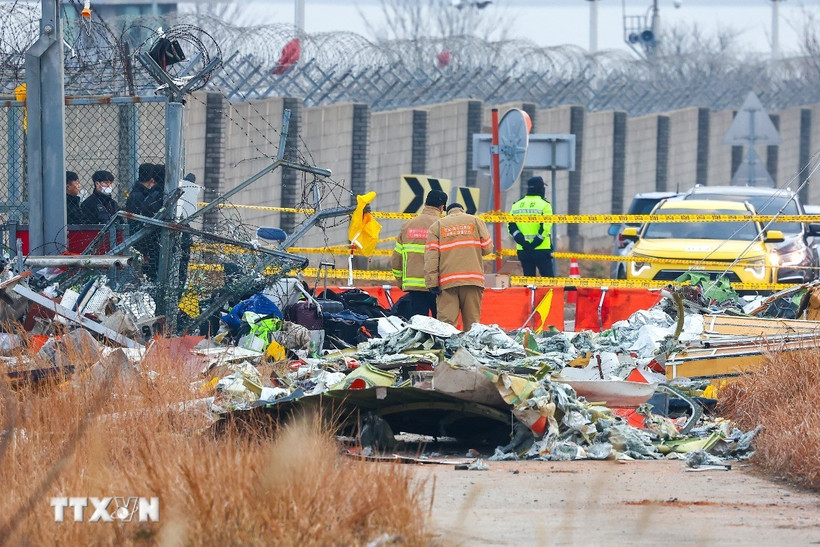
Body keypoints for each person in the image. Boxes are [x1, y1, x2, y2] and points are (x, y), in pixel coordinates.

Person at [425, 202, 492, 332]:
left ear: (447, 212)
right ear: (462, 210)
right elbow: (487, 248)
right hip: (472, 280)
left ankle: (448, 345)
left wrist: (432, 283)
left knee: (446, 326)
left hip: (447, 282)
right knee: (472, 324)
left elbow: (431, 257)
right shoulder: (475, 221)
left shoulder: (437, 226)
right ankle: (470, 345)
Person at [391, 190, 447, 319]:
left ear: (425, 203)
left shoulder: (408, 225)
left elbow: (396, 258)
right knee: (439, 324)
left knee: (419, 323)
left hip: (414, 286)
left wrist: (401, 281)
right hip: (436, 285)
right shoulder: (442, 225)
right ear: (442, 207)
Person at [508, 176, 554, 277]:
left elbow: (511, 226)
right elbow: (546, 226)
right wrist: (536, 242)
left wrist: (522, 241)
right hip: (541, 249)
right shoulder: (545, 205)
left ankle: (529, 289)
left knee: (528, 281)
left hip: (523, 250)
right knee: (548, 281)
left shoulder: (517, 205)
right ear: (541, 188)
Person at [125, 163, 163, 282]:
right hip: (142, 243)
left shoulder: (139, 194)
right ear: (152, 180)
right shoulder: (140, 196)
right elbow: (137, 223)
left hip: (143, 242)